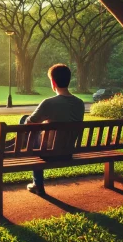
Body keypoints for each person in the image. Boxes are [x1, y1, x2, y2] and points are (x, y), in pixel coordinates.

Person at [24, 63, 84, 196]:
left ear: (53, 82)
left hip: (49, 154)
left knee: (24, 120)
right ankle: (36, 182)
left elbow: (29, 124)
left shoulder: (49, 103)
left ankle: (37, 184)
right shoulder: (80, 103)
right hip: (68, 152)